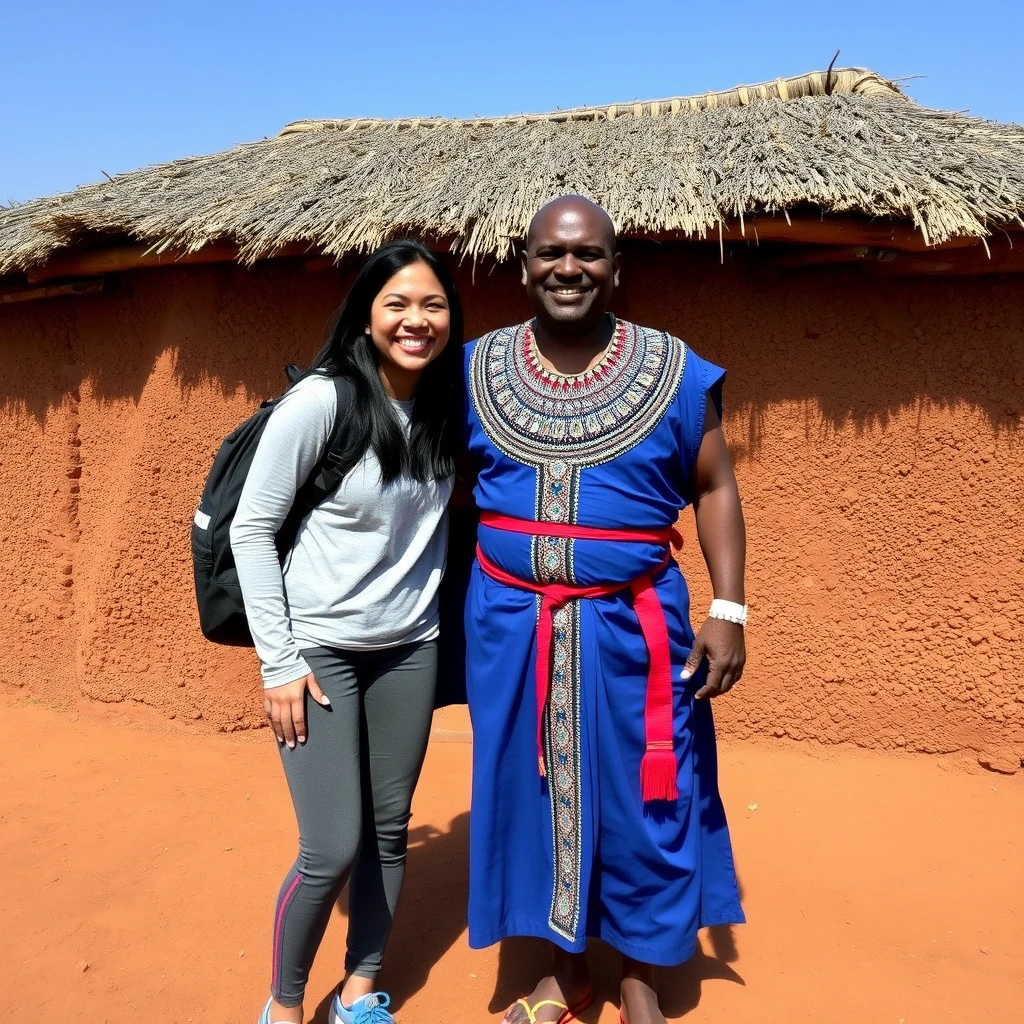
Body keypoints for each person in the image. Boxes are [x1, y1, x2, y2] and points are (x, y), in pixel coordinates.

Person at [462, 196, 747, 1024]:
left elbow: (716, 484)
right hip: (514, 630)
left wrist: (730, 607)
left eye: (588, 255)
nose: (568, 269)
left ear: (616, 268)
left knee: (647, 801)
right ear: (523, 265)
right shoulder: (475, 370)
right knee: (535, 791)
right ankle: (562, 971)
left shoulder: (673, 370)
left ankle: (641, 978)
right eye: (551, 253)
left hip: (637, 632)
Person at [230, 240, 463, 1024]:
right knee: (331, 846)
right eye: (397, 303)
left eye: (432, 304)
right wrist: (279, 663)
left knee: (389, 832)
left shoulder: (445, 405)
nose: (416, 320)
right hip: (319, 651)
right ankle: (285, 1006)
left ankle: (359, 994)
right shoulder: (323, 402)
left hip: (409, 647)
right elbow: (251, 530)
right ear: (366, 315)